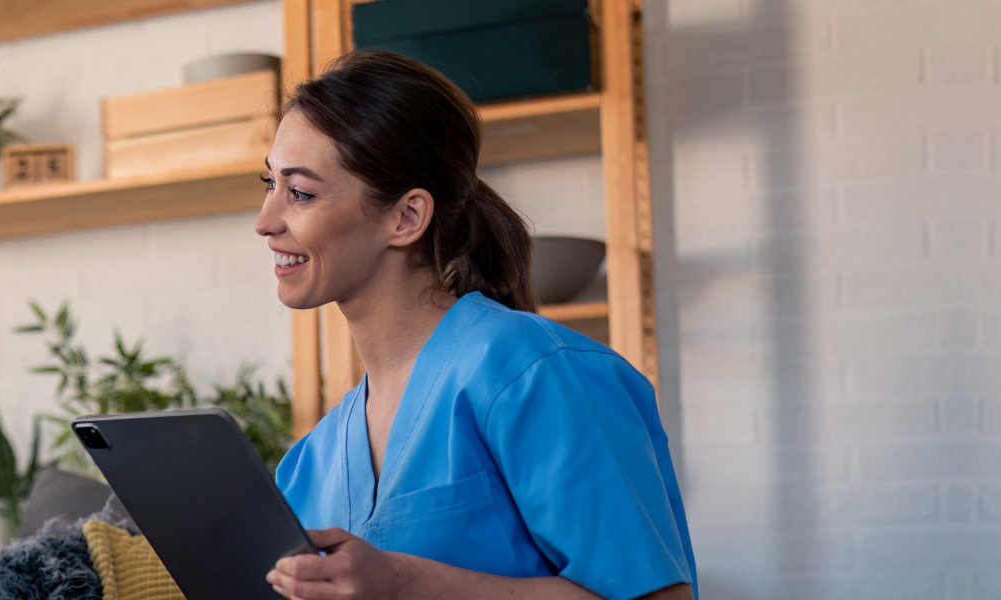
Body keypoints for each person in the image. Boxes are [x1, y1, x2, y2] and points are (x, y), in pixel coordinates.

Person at [258, 50, 696, 600]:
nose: (265, 221)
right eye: (268, 184)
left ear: (406, 217)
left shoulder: (532, 373)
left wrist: (401, 583)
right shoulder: (308, 466)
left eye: (299, 192)